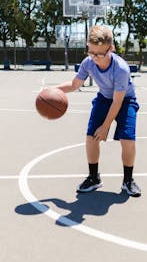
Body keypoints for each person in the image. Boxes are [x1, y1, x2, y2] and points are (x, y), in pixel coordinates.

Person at [56, 25, 141, 197]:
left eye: (99, 54)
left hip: (125, 100)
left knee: (127, 140)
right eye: (90, 52)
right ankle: (94, 178)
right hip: (104, 98)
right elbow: (74, 85)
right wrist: (52, 90)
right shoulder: (89, 63)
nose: (94, 57)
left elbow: (117, 102)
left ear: (111, 49)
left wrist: (105, 126)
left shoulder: (121, 69)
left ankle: (128, 180)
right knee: (90, 137)